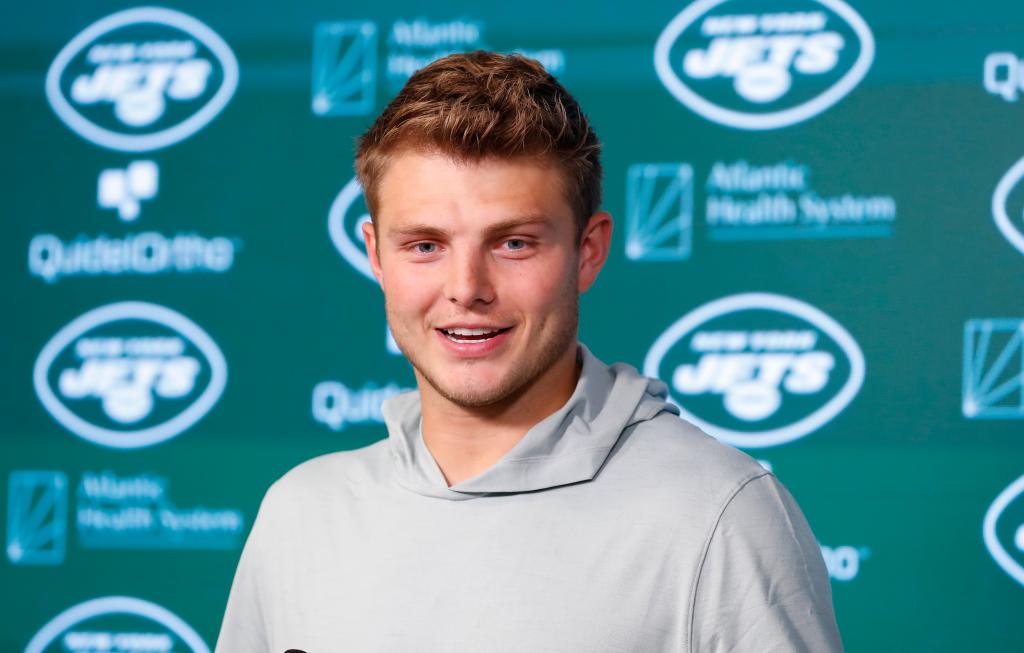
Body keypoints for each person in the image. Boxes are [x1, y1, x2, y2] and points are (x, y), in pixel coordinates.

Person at [215, 51, 843, 653]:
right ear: (376, 256)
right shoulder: (301, 512)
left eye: (513, 243)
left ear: (588, 251)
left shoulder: (717, 515)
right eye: (426, 246)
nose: (466, 289)